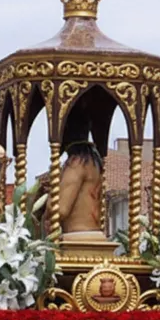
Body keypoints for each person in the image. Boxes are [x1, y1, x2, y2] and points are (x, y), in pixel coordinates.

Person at [58, 102, 104, 237]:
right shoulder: (93, 162)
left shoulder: (77, 162)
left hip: (77, 238)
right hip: (92, 236)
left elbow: (60, 209)